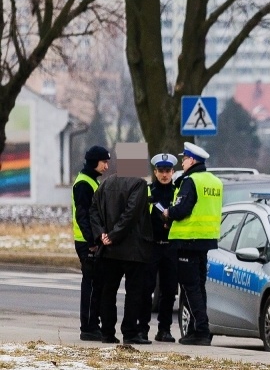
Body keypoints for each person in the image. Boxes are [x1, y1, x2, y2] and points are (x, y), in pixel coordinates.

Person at [90, 143, 154, 345]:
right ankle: (130, 332)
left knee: (108, 291)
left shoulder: (106, 183)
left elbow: (93, 210)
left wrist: (102, 235)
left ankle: (107, 332)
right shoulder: (139, 184)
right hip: (133, 249)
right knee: (133, 293)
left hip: (109, 250)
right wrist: (114, 235)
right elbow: (131, 215)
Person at [163, 142, 222, 346]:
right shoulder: (214, 181)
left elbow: (182, 209)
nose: (182, 162)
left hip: (188, 240)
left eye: (185, 158)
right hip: (205, 241)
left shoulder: (190, 181)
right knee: (199, 287)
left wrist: (168, 212)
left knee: (190, 288)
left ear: (193, 160)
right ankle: (197, 330)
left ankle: (202, 331)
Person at [72, 145, 110, 341]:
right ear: (95, 162)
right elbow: (83, 216)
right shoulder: (84, 184)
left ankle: (93, 324)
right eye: (104, 162)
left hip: (92, 241)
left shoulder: (92, 181)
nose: (106, 166)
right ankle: (88, 327)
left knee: (96, 284)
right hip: (87, 243)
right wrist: (92, 241)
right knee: (91, 285)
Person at [142, 153, 179, 343]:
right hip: (152, 246)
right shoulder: (148, 192)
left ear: (173, 172)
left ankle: (164, 330)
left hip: (171, 247)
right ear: (155, 172)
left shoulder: (178, 192)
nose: (164, 174)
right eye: (161, 171)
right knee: (146, 288)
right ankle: (142, 328)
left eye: (168, 171)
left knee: (169, 290)